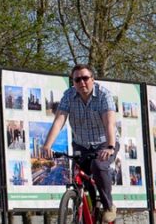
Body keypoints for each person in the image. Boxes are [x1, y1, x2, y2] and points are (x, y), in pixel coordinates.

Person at [42, 64, 119, 223]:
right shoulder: (69, 96)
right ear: (73, 82)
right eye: (77, 79)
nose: (82, 82)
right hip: (81, 144)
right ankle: (84, 208)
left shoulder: (104, 95)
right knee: (79, 178)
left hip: (104, 143)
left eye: (85, 78)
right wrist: (47, 145)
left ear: (93, 79)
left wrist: (110, 147)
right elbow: (59, 121)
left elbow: (109, 123)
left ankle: (108, 206)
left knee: (98, 166)